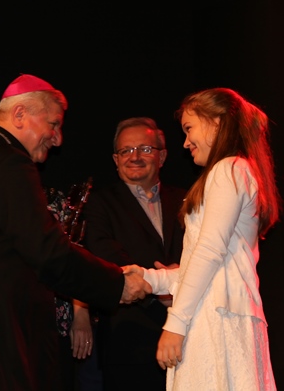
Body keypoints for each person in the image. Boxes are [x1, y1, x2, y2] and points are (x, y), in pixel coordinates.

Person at [0, 74, 151, 391]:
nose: (58, 139)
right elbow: (48, 253)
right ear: (19, 115)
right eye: (53, 125)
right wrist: (116, 283)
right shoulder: (9, 163)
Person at [127, 87, 281, 390]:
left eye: (189, 128)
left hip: (216, 316)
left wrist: (175, 323)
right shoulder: (234, 171)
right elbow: (208, 264)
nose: (185, 142)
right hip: (218, 312)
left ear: (217, 122)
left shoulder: (229, 169)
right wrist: (149, 279)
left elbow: (209, 252)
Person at [80, 117, 186, 391]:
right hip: (130, 339)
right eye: (126, 150)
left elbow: (203, 253)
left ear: (162, 156)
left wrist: (179, 283)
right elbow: (106, 256)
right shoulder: (99, 204)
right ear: (115, 160)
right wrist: (159, 287)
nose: (135, 157)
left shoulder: (188, 199)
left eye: (145, 149)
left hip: (189, 333)